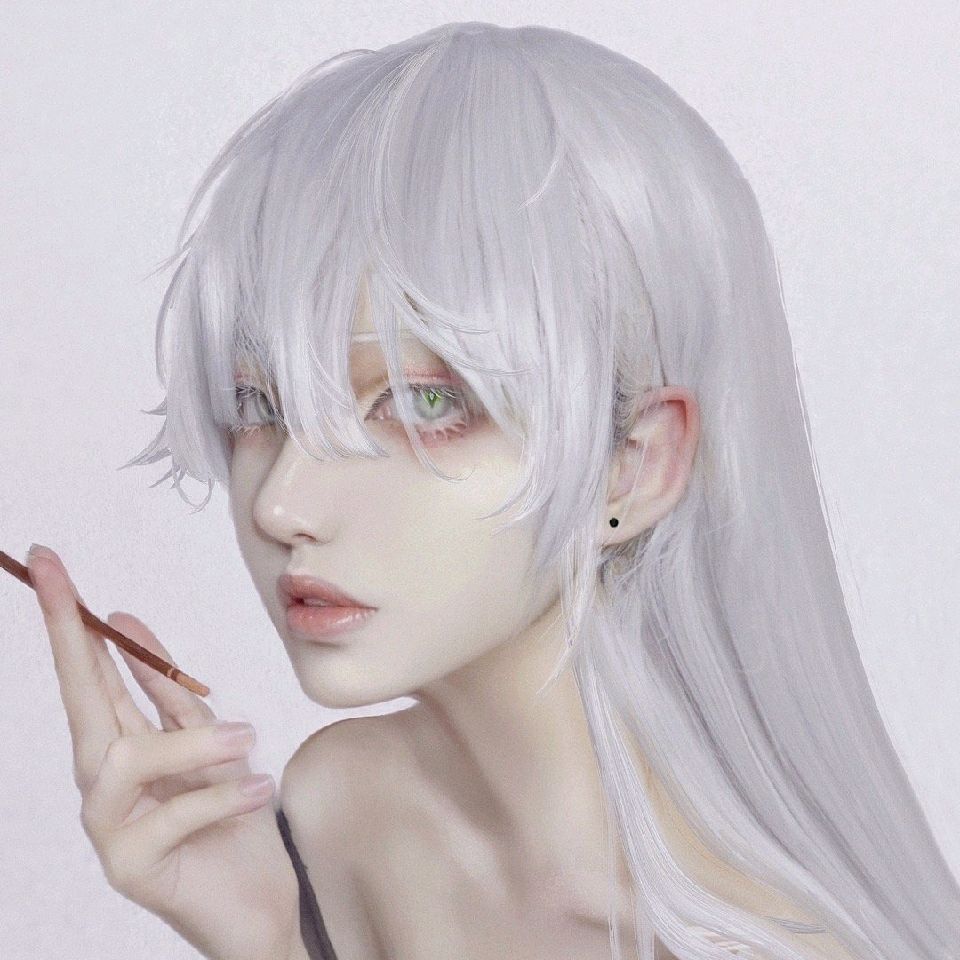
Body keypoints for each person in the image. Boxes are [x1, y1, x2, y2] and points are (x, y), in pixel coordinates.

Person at [27, 20, 959, 960]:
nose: (280, 505)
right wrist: (263, 938)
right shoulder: (340, 809)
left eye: (424, 403)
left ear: (634, 465)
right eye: (259, 403)